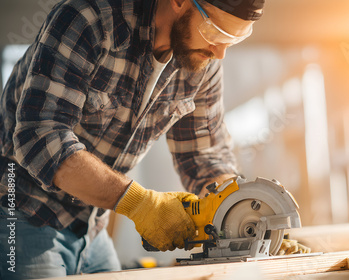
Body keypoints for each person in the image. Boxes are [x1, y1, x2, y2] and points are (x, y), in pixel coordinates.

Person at [0, 0, 265, 278]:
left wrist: (244, 207)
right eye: (216, 33)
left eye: (234, 39)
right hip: (23, 213)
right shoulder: (90, 19)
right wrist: (139, 203)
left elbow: (205, 156)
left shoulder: (201, 58)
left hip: (91, 227)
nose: (220, 52)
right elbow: (41, 138)